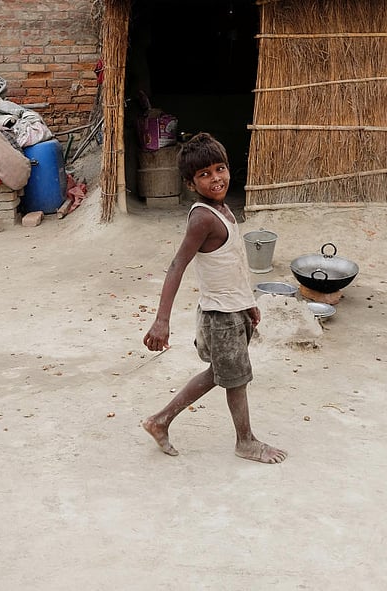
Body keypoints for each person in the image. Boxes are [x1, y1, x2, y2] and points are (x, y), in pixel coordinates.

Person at [141, 133, 287, 464]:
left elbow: (232, 263)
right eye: (204, 175)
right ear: (191, 184)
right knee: (236, 379)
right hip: (220, 316)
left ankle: (159, 420)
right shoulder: (203, 218)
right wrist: (162, 319)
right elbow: (178, 265)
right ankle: (245, 441)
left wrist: (249, 301)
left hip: (233, 309)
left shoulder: (222, 209)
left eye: (219, 169)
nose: (215, 178)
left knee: (222, 372)